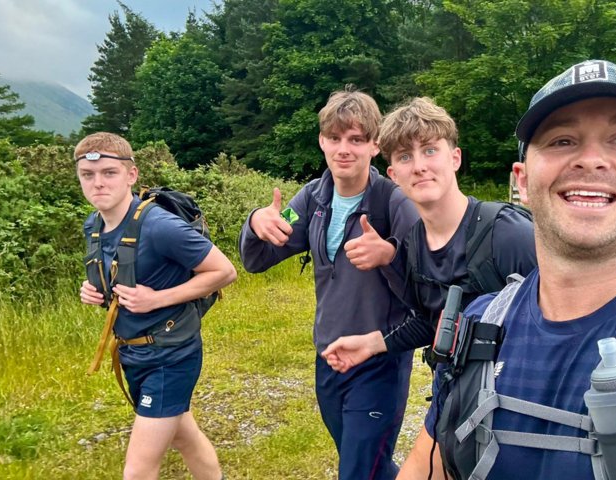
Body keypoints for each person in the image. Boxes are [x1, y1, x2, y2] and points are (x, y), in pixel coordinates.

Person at [398, 60, 616, 479]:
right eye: (562, 140)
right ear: (522, 181)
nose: (592, 159)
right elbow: (426, 467)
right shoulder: (480, 323)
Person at [238, 89, 419, 479]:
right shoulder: (310, 199)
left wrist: (390, 255)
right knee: (368, 463)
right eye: (334, 138)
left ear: (374, 145)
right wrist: (255, 222)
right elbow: (257, 259)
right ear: (321, 140)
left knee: (356, 470)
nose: (344, 149)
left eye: (356, 139)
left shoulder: (395, 203)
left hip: (379, 360)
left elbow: (429, 282)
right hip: (330, 358)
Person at [322, 97, 536, 374]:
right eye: (405, 157)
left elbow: (567, 319)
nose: (419, 166)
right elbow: (432, 323)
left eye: (430, 150)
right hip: (459, 397)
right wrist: (371, 344)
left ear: (455, 158)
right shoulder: (414, 245)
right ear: (393, 174)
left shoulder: (507, 234)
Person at [77, 132, 237, 480]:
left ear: (131, 175)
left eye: (109, 173)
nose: (98, 183)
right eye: (88, 175)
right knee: (186, 437)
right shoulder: (94, 225)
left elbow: (224, 271)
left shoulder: (160, 226)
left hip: (170, 355)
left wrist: (157, 299)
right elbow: (124, 279)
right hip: (134, 355)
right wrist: (94, 292)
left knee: (137, 470)